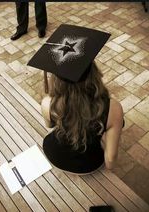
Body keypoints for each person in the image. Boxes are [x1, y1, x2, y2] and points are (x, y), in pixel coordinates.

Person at [27, 24, 124, 174]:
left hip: (55, 155)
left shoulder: (47, 103)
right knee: (116, 123)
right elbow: (110, 161)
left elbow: (49, 126)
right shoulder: (113, 108)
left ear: (56, 79)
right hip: (88, 164)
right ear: (94, 74)